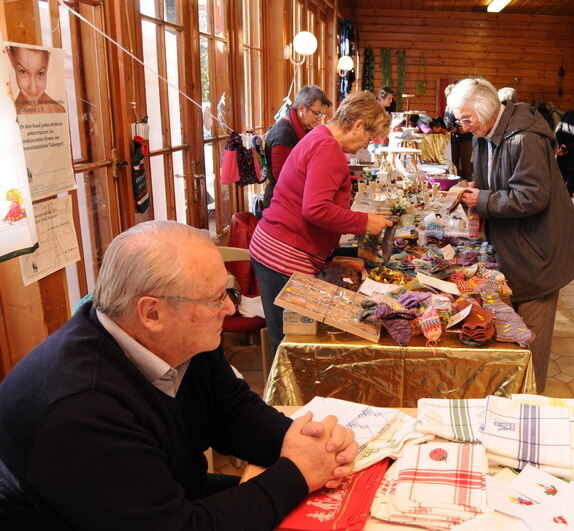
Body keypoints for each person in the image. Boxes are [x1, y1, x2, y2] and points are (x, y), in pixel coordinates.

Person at [0, 220, 358, 530]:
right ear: (152, 313)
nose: (230, 307)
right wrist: (296, 473)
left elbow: (232, 412)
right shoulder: (78, 408)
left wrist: (310, 445)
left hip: (162, 496)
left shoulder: (180, 338)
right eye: (216, 297)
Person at [447, 78, 574, 394]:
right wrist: (473, 190)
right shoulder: (486, 133)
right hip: (514, 248)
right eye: (460, 119)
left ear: (486, 111)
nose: (463, 126)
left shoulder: (523, 138)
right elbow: (496, 182)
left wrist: (481, 200)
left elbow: (531, 196)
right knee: (512, 332)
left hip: (538, 253)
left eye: (467, 119)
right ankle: (508, 399)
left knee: (530, 340)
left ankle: (527, 405)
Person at [250, 91, 393, 356]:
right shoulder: (328, 149)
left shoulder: (318, 137)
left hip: (275, 246)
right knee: (290, 343)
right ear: (358, 125)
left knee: (284, 336)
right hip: (284, 254)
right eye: (367, 138)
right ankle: (283, 396)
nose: (365, 146)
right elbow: (316, 209)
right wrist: (364, 222)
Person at [262, 85, 331, 210]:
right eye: (317, 113)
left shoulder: (299, 129)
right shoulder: (283, 134)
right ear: (301, 108)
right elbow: (283, 178)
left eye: (321, 115)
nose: (319, 119)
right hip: (281, 203)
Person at [6, 45, 66, 114]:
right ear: (10, 57)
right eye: (23, 72)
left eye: (41, 73)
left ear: (48, 59)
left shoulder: (58, 111)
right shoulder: (7, 115)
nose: (33, 89)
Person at [443, 83, 473, 182]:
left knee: (466, 165)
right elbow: (446, 120)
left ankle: (468, 184)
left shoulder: (463, 106)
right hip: (453, 139)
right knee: (453, 164)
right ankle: (454, 184)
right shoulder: (448, 107)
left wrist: (457, 130)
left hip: (465, 139)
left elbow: (469, 125)